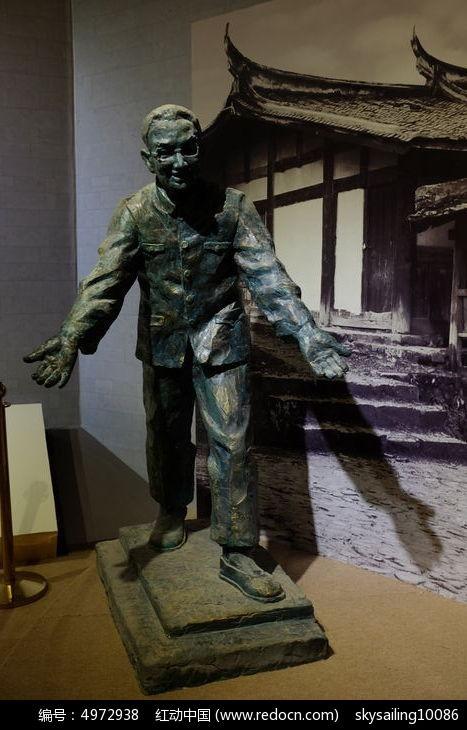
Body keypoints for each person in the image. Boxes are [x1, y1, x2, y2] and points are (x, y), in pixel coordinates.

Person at [24, 104, 350, 603]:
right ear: (148, 158)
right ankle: (171, 509)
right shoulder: (135, 213)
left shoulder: (233, 208)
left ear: (200, 149)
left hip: (223, 341)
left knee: (234, 445)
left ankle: (237, 550)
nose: (178, 161)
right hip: (163, 345)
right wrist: (72, 336)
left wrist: (308, 334)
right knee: (166, 437)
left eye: (188, 148)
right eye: (166, 152)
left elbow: (269, 277)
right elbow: (106, 282)